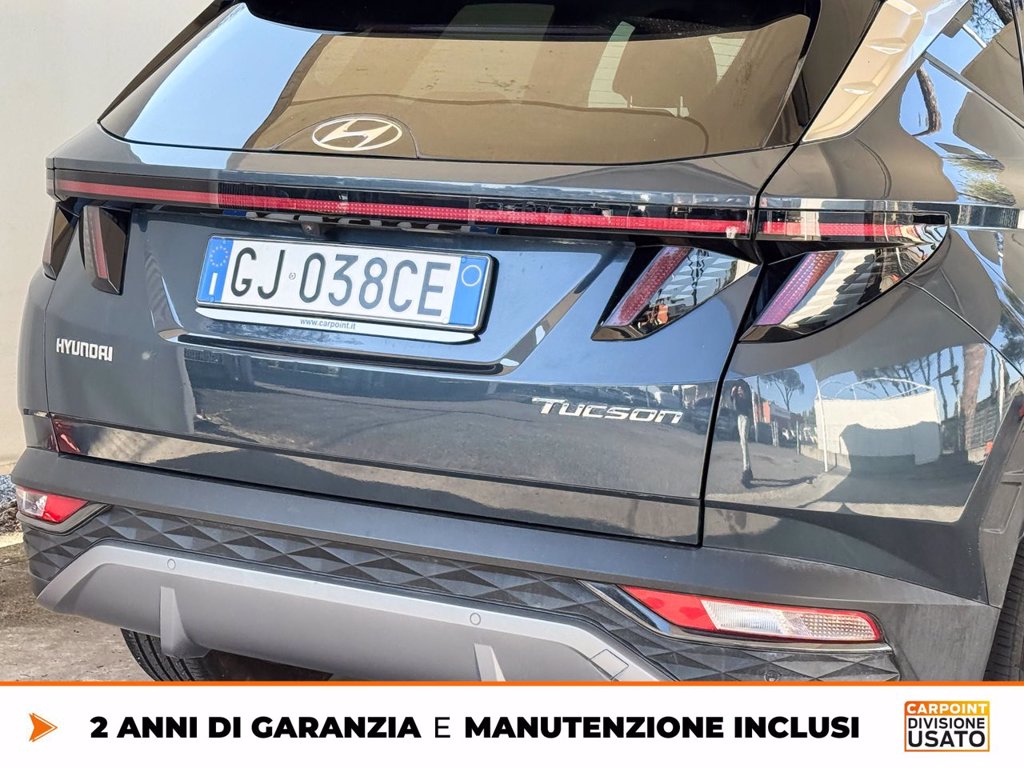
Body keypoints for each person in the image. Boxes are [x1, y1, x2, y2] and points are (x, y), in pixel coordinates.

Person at [728, 380, 754, 487]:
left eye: (740, 390)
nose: (739, 391)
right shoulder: (736, 397)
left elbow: (749, 405)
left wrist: (744, 395)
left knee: (744, 441)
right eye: (738, 390)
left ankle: (746, 470)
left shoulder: (746, 397)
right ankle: (749, 470)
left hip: (746, 417)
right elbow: (731, 400)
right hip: (739, 418)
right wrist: (732, 392)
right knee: (742, 443)